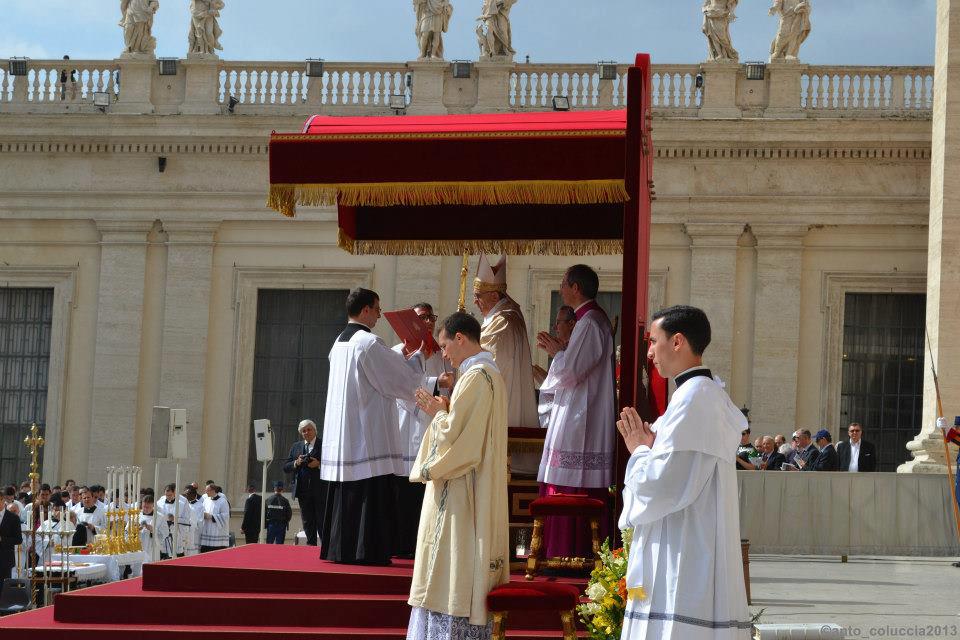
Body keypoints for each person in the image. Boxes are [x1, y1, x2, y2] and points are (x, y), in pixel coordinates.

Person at [617, 304, 751, 639]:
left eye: (653, 341)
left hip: (684, 545)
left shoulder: (694, 400)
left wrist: (639, 450)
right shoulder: (700, 396)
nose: (649, 352)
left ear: (677, 341)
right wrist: (652, 444)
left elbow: (663, 484)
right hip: (693, 536)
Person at [407, 312, 509, 639]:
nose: (444, 353)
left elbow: (462, 444)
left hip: (465, 488)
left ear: (460, 338)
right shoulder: (481, 374)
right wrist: (446, 411)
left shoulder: (478, 376)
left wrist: (438, 415)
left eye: (444, 345)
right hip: (472, 481)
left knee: (454, 562)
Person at [319, 287, 424, 566]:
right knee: (369, 490)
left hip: (343, 434)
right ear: (365, 310)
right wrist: (417, 358)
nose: (379, 315)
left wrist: (402, 355)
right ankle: (367, 550)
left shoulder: (338, 343)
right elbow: (399, 379)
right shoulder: (367, 342)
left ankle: (339, 549)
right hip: (366, 432)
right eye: (377, 309)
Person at [534, 264, 616, 558]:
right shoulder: (588, 321)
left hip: (583, 417)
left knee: (573, 484)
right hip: (579, 411)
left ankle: (567, 553)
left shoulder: (589, 323)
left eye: (563, 283)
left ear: (576, 288)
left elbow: (570, 372)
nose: (560, 288)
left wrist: (558, 354)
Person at [392, 302, 453, 558]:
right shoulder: (398, 353)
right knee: (405, 491)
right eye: (422, 317)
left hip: (434, 427)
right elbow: (401, 389)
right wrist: (434, 383)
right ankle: (402, 544)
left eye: (431, 317)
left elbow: (449, 388)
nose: (428, 321)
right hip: (407, 430)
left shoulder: (441, 353)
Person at [474, 254, 539, 475]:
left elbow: (484, 367)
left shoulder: (501, 322)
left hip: (502, 404)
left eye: (478, 296)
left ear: (493, 295)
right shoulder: (509, 314)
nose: (475, 301)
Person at [282, 420, 325, 546]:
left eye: (309, 429)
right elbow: (286, 467)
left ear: (315, 430)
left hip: (321, 490)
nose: (306, 432)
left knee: (322, 520)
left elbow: (335, 464)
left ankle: (326, 547)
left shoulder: (324, 444)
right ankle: (311, 546)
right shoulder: (296, 446)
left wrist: (319, 464)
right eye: (303, 431)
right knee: (307, 521)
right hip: (303, 491)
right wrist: (297, 462)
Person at [534, 305, 576, 425]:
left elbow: (567, 380)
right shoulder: (563, 347)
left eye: (558, 323)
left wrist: (558, 354)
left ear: (571, 324)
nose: (554, 327)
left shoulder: (576, 349)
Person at [156, 483, 192, 557]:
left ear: (174, 493)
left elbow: (187, 519)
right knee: (164, 554)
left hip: (176, 533)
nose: (168, 497)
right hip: (164, 533)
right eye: (166, 495)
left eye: (170, 495)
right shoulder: (160, 502)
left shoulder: (182, 502)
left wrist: (175, 519)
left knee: (177, 554)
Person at [199, 484, 230, 553]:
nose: (206, 492)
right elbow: (201, 510)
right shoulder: (206, 500)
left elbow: (225, 516)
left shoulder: (223, 501)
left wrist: (211, 516)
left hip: (217, 532)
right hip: (207, 530)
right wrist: (203, 515)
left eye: (207, 491)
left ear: (213, 491)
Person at [0, 500, 22, 579]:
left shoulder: (13, 518)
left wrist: (2, 539)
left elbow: (19, 539)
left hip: (5, 559)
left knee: (4, 588)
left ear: (2, 501)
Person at [183, 486, 204, 556]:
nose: (186, 496)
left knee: (193, 554)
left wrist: (191, 523)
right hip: (184, 533)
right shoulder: (183, 504)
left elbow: (200, 521)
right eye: (185, 494)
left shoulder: (200, 505)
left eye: (187, 494)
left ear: (193, 494)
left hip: (194, 533)